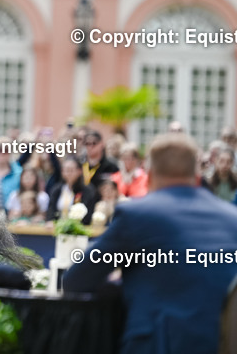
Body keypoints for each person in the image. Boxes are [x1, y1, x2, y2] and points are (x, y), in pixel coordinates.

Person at [64, 133, 237, 354]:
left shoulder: (137, 214)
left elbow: (75, 280)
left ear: (150, 176)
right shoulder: (232, 218)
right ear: (196, 176)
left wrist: (123, 282)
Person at [46, 155, 96, 224]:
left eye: (71, 170)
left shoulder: (87, 190)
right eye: (66, 170)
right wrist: (50, 221)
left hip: (78, 226)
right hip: (58, 225)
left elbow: (88, 213)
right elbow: (51, 209)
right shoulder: (56, 189)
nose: (68, 173)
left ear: (79, 171)